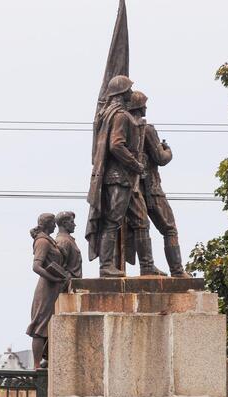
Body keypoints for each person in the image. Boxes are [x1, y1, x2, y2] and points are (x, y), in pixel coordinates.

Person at [85, 74, 166, 277]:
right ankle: (106, 266)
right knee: (113, 221)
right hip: (118, 178)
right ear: (121, 93)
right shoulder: (120, 115)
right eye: (128, 89)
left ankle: (147, 266)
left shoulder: (113, 114)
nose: (131, 92)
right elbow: (116, 145)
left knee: (141, 221)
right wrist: (135, 164)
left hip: (127, 180)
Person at [127, 91, 191, 278]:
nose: (146, 106)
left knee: (141, 226)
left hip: (132, 188)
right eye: (145, 104)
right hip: (151, 188)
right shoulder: (146, 129)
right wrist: (168, 150)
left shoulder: (124, 127)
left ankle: (147, 266)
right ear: (140, 106)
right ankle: (177, 271)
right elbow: (160, 158)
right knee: (169, 228)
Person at [26, 213, 68, 369]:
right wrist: (55, 278)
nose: (55, 226)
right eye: (52, 223)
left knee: (50, 324)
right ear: (46, 224)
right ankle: (37, 366)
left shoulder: (49, 241)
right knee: (40, 326)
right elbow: (36, 266)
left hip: (54, 287)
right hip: (46, 288)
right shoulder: (42, 242)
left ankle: (48, 360)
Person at [55, 211, 82, 279]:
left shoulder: (69, 240)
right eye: (72, 222)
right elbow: (59, 267)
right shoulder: (63, 241)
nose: (74, 225)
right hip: (69, 284)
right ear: (64, 223)